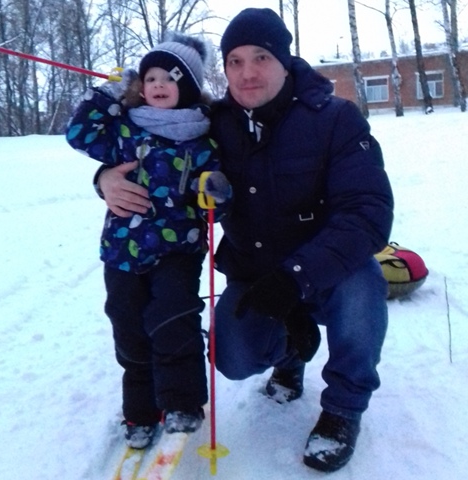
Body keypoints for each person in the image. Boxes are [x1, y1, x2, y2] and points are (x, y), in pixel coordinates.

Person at [93, 8, 394, 472]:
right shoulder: (213, 122)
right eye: (235, 61)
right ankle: (290, 353)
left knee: (362, 291)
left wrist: (296, 278)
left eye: (260, 58)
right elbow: (150, 141)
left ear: (284, 60)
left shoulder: (336, 118)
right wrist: (104, 178)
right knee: (231, 356)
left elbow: (368, 212)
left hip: (328, 272)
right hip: (257, 273)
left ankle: (343, 408)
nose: (247, 72)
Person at [65, 33, 231, 449]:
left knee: (173, 318)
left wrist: (214, 189)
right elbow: (79, 134)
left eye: (169, 78)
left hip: (178, 249)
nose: (157, 84)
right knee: (128, 325)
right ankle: (139, 411)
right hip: (122, 249)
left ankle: (182, 403)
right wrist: (109, 92)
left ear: (188, 87)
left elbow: (218, 188)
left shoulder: (203, 137)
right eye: (150, 77)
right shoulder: (125, 126)